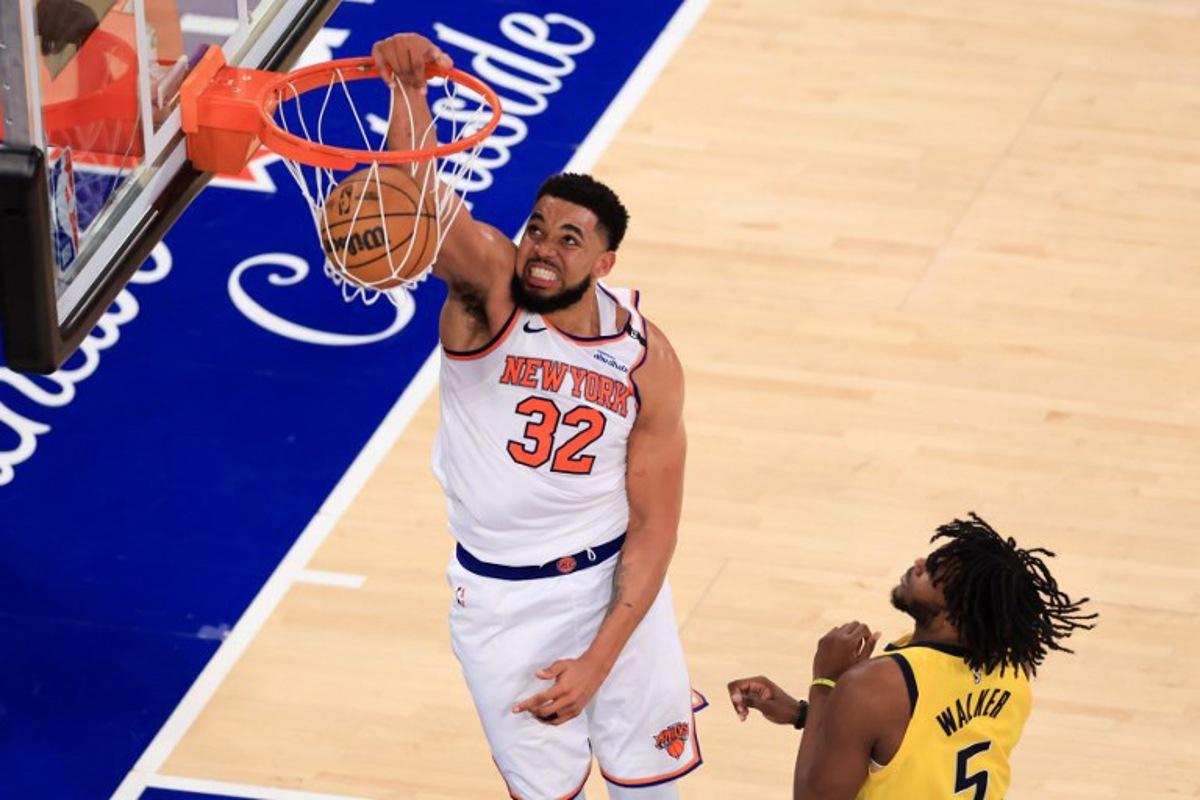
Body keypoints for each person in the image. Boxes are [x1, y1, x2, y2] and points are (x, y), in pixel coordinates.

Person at [370, 34, 703, 800]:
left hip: (616, 589)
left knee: (652, 791)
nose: (542, 249)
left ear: (605, 264)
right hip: (502, 602)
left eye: (569, 239)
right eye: (537, 228)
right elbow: (419, 207)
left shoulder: (648, 360)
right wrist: (410, 90)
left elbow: (656, 527)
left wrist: (600, 658)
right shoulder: (488, 294)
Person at [728, 514, 1096, 799]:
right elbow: (920, 747)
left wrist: (827, 684)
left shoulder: (875, 686)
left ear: (960, 610)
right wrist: (805, 716)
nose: (920, 562)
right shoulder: (1013, 678)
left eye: (934, 571)